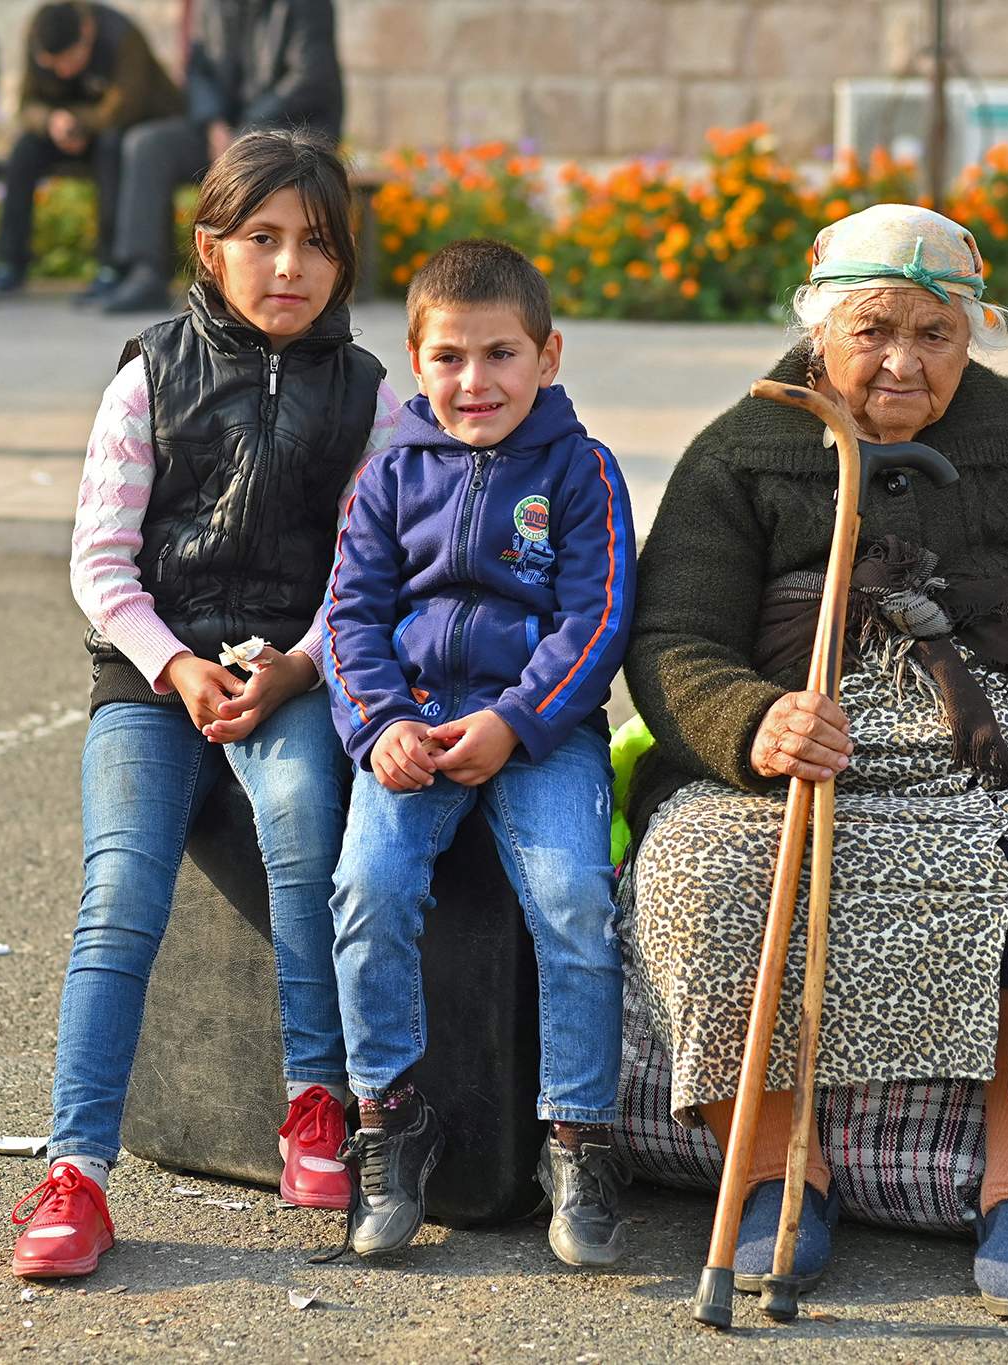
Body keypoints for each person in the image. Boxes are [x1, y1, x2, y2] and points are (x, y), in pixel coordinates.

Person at [621, 204, 1008, 1318]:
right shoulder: (746, 445)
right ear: (818, 325)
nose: (901, 360)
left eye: (935, 334)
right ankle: (781, 1172)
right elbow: (672, 635)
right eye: (873, 328)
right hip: (805, 727)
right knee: (695, 873)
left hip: (992, 726)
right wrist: (750, 721)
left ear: (972, 336)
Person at [6, 128, 395, 1280]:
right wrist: (176, 667)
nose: (289, 267)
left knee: (302, 835)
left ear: (344, 263)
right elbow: (99, 563)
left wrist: (303, 665)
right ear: (210, 247)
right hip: (149, 678)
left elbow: (367, 573)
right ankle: (76, 1172)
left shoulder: (367, 396)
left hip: (289, 674)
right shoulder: (150, 375)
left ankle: (315, 1102)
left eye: (316, 246)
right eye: (261, 240)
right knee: (121, 889)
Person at [321, 239, 637, 1266]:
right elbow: (350, 617)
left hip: (537, 737)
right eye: (449, 358)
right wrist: (380, 727)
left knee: (572, 901)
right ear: (416, 363)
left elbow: (595, 621)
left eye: (500, 355)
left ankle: (578, 1135)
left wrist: (514, 721)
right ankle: (389, 1119)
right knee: (367, 888)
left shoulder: (581, 470)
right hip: (412, 726)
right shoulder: (387, 476)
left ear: (547, 355)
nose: (474, 382)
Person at [100, 0, 343, 315]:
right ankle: (145, 273)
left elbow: (308, 78)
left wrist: (244, 131)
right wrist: (213, 122)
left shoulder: (307, 5)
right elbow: (198, 70)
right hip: (225, 130)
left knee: (252, 148)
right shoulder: (214, 5)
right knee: (148, 144)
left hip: (291, 133)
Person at [0, 1, 182, 305]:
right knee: (23, 151)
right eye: (53, 64)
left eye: (70, 60)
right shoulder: (41, 30)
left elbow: (123, 109)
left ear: (87, 33)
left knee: (111, 149)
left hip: (129, 128)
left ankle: (110, 266)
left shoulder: (123, 36)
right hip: (68, 128)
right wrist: (52, 122)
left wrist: (76, 122)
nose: (62, 71)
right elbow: (27, 104)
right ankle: (10, 263)